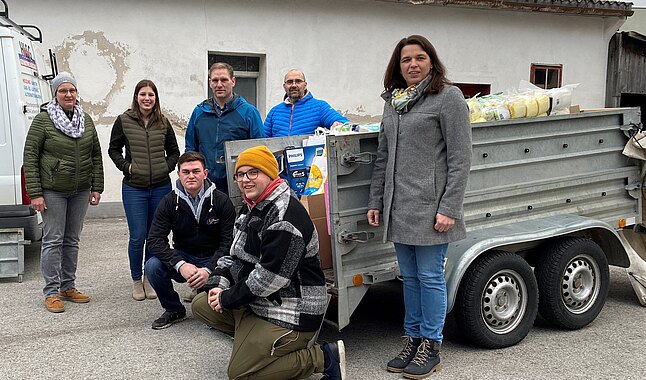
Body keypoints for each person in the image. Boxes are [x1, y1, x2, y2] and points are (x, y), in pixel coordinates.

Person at [192, 145, 346, 380]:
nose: (245, 180)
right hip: (262, 301)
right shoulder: (252, 206)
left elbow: (269, 278)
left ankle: (323, 357)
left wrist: (227, 298)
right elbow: (233, 254)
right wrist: (218, 285)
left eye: (253, 173)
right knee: (202, 304)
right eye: (241, 174)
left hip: (293, 309)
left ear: (270, 174)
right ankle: (255, 343)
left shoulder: (284, 216)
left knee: (241, 374)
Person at [367, 35, 472, 379]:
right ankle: (413, 339)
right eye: (405, 59)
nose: (412, 64)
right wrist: (376, 201)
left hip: (431, 209)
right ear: (397, 67)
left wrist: (449, 207)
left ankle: (432, 344)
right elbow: (382, 157)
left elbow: (460, 158)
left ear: (432, 61)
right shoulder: (394, 101)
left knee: (430, 278)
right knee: (409, 278)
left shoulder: (448, 97)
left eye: (419, 58)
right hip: (400, 207)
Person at [23, 72, 104, 313]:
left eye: (72, 90)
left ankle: (68, 286)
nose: (68, 95)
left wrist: (96, 187)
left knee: (72, 240)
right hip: (53, 191)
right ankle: (51, 292)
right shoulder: (43, 120)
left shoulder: (86, 120)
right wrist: (35, 193)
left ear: (77, 93)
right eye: (62, 91)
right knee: (52, 240)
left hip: (80, 190)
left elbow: (96, 155)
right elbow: (30, 156)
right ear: (55, 94)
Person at [144, 151, 236, 330]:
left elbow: (229, 242)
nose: (191, 176)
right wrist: (180, 264)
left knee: (233, 268)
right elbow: (154, 239)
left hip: (213, 257)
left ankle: (211, 298)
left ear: (205, 173)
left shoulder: (221, 201)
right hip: (184, 256)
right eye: (186, 172)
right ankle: (174, 309)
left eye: (196, 171)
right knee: (152, 266)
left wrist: (209, 269)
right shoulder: (169, 202)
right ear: (178, 174)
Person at [108, 79, 180, 301]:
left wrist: (163, 168)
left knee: (155, 236)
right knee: (138, 236)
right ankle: (136, 280)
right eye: (143, 94)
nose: (147, 98)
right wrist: (127, 167)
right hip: (134, 189)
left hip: (161, 187)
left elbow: (174, 152)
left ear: (156, 98)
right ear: (136, 97)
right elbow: (113, 149)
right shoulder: (124, 120)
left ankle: (150, 278)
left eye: (151, 95)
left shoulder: (163, 123)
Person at [185, 62, 265, 195]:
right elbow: (190, 148)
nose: (219, 85)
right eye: (215, 80)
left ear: (233, 81)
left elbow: (259, 149)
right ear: (210, 83)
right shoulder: (199, 112)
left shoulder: (249, 113)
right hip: (206, 185)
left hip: (238, 185)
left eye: (224, 80)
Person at [263, 69, 348, 137]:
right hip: (278, 158)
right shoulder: (275, 111)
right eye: (289, 82)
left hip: (309, 157)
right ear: (284, 86)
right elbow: (263, 139)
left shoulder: (319, 107)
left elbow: (344, 124)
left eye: (298, 81)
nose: (293, 85)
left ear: (305, 85)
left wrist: (338, 125)